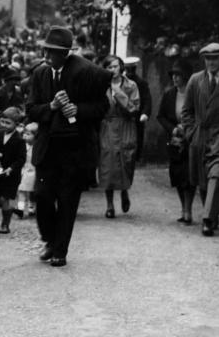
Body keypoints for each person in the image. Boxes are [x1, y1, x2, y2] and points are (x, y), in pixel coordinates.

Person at [28, 26, 111, 267]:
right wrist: (51, 107)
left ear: (65, 53)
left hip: (75, 150)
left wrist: (79, 110)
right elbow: (30, 110)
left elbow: (102, 107)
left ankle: (60, 251)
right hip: (48, 148)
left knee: (67, 200)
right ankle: (50, 240)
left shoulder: (84, 73)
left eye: (51, 53)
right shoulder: (40, 75)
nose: (46, 57)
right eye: (45, 51)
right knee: (42, 197)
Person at [182, 42, 219, 237]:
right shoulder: (195, 80)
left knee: (217, 175)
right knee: (203, 181)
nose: (211, 62)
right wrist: (191, 132)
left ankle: (207, 219)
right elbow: (187, 111)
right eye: (208, 59)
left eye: (215, 58)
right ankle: (213, 213)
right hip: (200, 136)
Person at [97, 55, 141, 218]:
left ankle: (124, 191)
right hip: (107, 126)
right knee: (107, 163)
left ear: (121, 68)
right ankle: (109, 205)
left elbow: (134, 108)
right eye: (109, 67)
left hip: (125, 125)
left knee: (126, 160)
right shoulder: (101, 86)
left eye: (115, 66)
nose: (113, 70)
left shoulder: (131, 85)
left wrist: (119, 94)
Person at [158, 59, 195, 224]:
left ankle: (188, 209)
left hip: (191, 139)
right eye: (173, 75)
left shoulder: (193, 93)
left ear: (186, 76)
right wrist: (172, 129)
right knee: (177, 175)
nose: (175, 78)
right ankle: (183, 208)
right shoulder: (169, 94)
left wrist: (189, 128)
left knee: (189, 175)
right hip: (175, 140)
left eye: (178, 75)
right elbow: (161, 116)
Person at [0, 107, 27, 234]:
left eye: (8, 123)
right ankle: (9, 209)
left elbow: (21, 159)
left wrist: (11, 168)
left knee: (5, 199)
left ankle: (5, 224)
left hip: (11, 174)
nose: (4, 125)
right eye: (2, 121)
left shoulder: (19, 140)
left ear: (16, 124)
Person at [123, 57, 152, 164]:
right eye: (128, 69)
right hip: (124, 116)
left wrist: (145, 113)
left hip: (137, 116)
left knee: (138, 137)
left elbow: (147, 99)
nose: (130, 72)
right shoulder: (121, 82)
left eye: (132, 69)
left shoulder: (141, 83)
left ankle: (136, 158)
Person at [15, 122, 38, 219]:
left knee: (31, 192)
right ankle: (20, 209)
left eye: (28, 134)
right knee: (21, 190)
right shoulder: (23, 146)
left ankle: (31, 207)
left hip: (33, 172)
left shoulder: (37, 147)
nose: (25, 135)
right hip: (24, 171)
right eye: (24, 133)